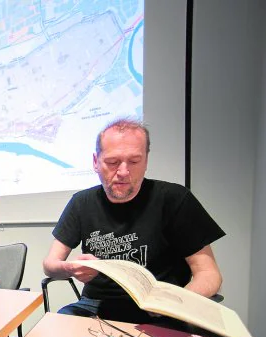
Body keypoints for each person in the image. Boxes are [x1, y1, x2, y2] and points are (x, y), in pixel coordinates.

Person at [43, 118, 225, 323]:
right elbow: (50, 264)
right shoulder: (81, 202)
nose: (123, 172)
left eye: (134, 161)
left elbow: (209, 274)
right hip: (96, 305)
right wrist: (71, 269)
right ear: (95, 162)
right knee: (57, 333)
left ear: (146, 161)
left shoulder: (174, 199)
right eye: (112, 162)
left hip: (160, 309)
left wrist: (177, 302)